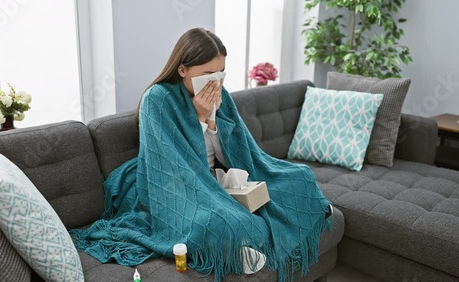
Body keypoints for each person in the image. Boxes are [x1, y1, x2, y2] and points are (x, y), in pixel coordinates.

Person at [71, 27, 333, 281]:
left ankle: (300, 215)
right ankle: (235, 249)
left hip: (217, 176)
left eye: (221, 72)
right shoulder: (158, 99)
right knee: (217, 221)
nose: (216, 81)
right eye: (208, 73)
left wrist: (212, 121)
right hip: (175, 185)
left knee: (299, 176)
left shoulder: (221, 94)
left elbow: (236, 154)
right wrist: (196, 117)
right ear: (182, 69)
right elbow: (173, 165)